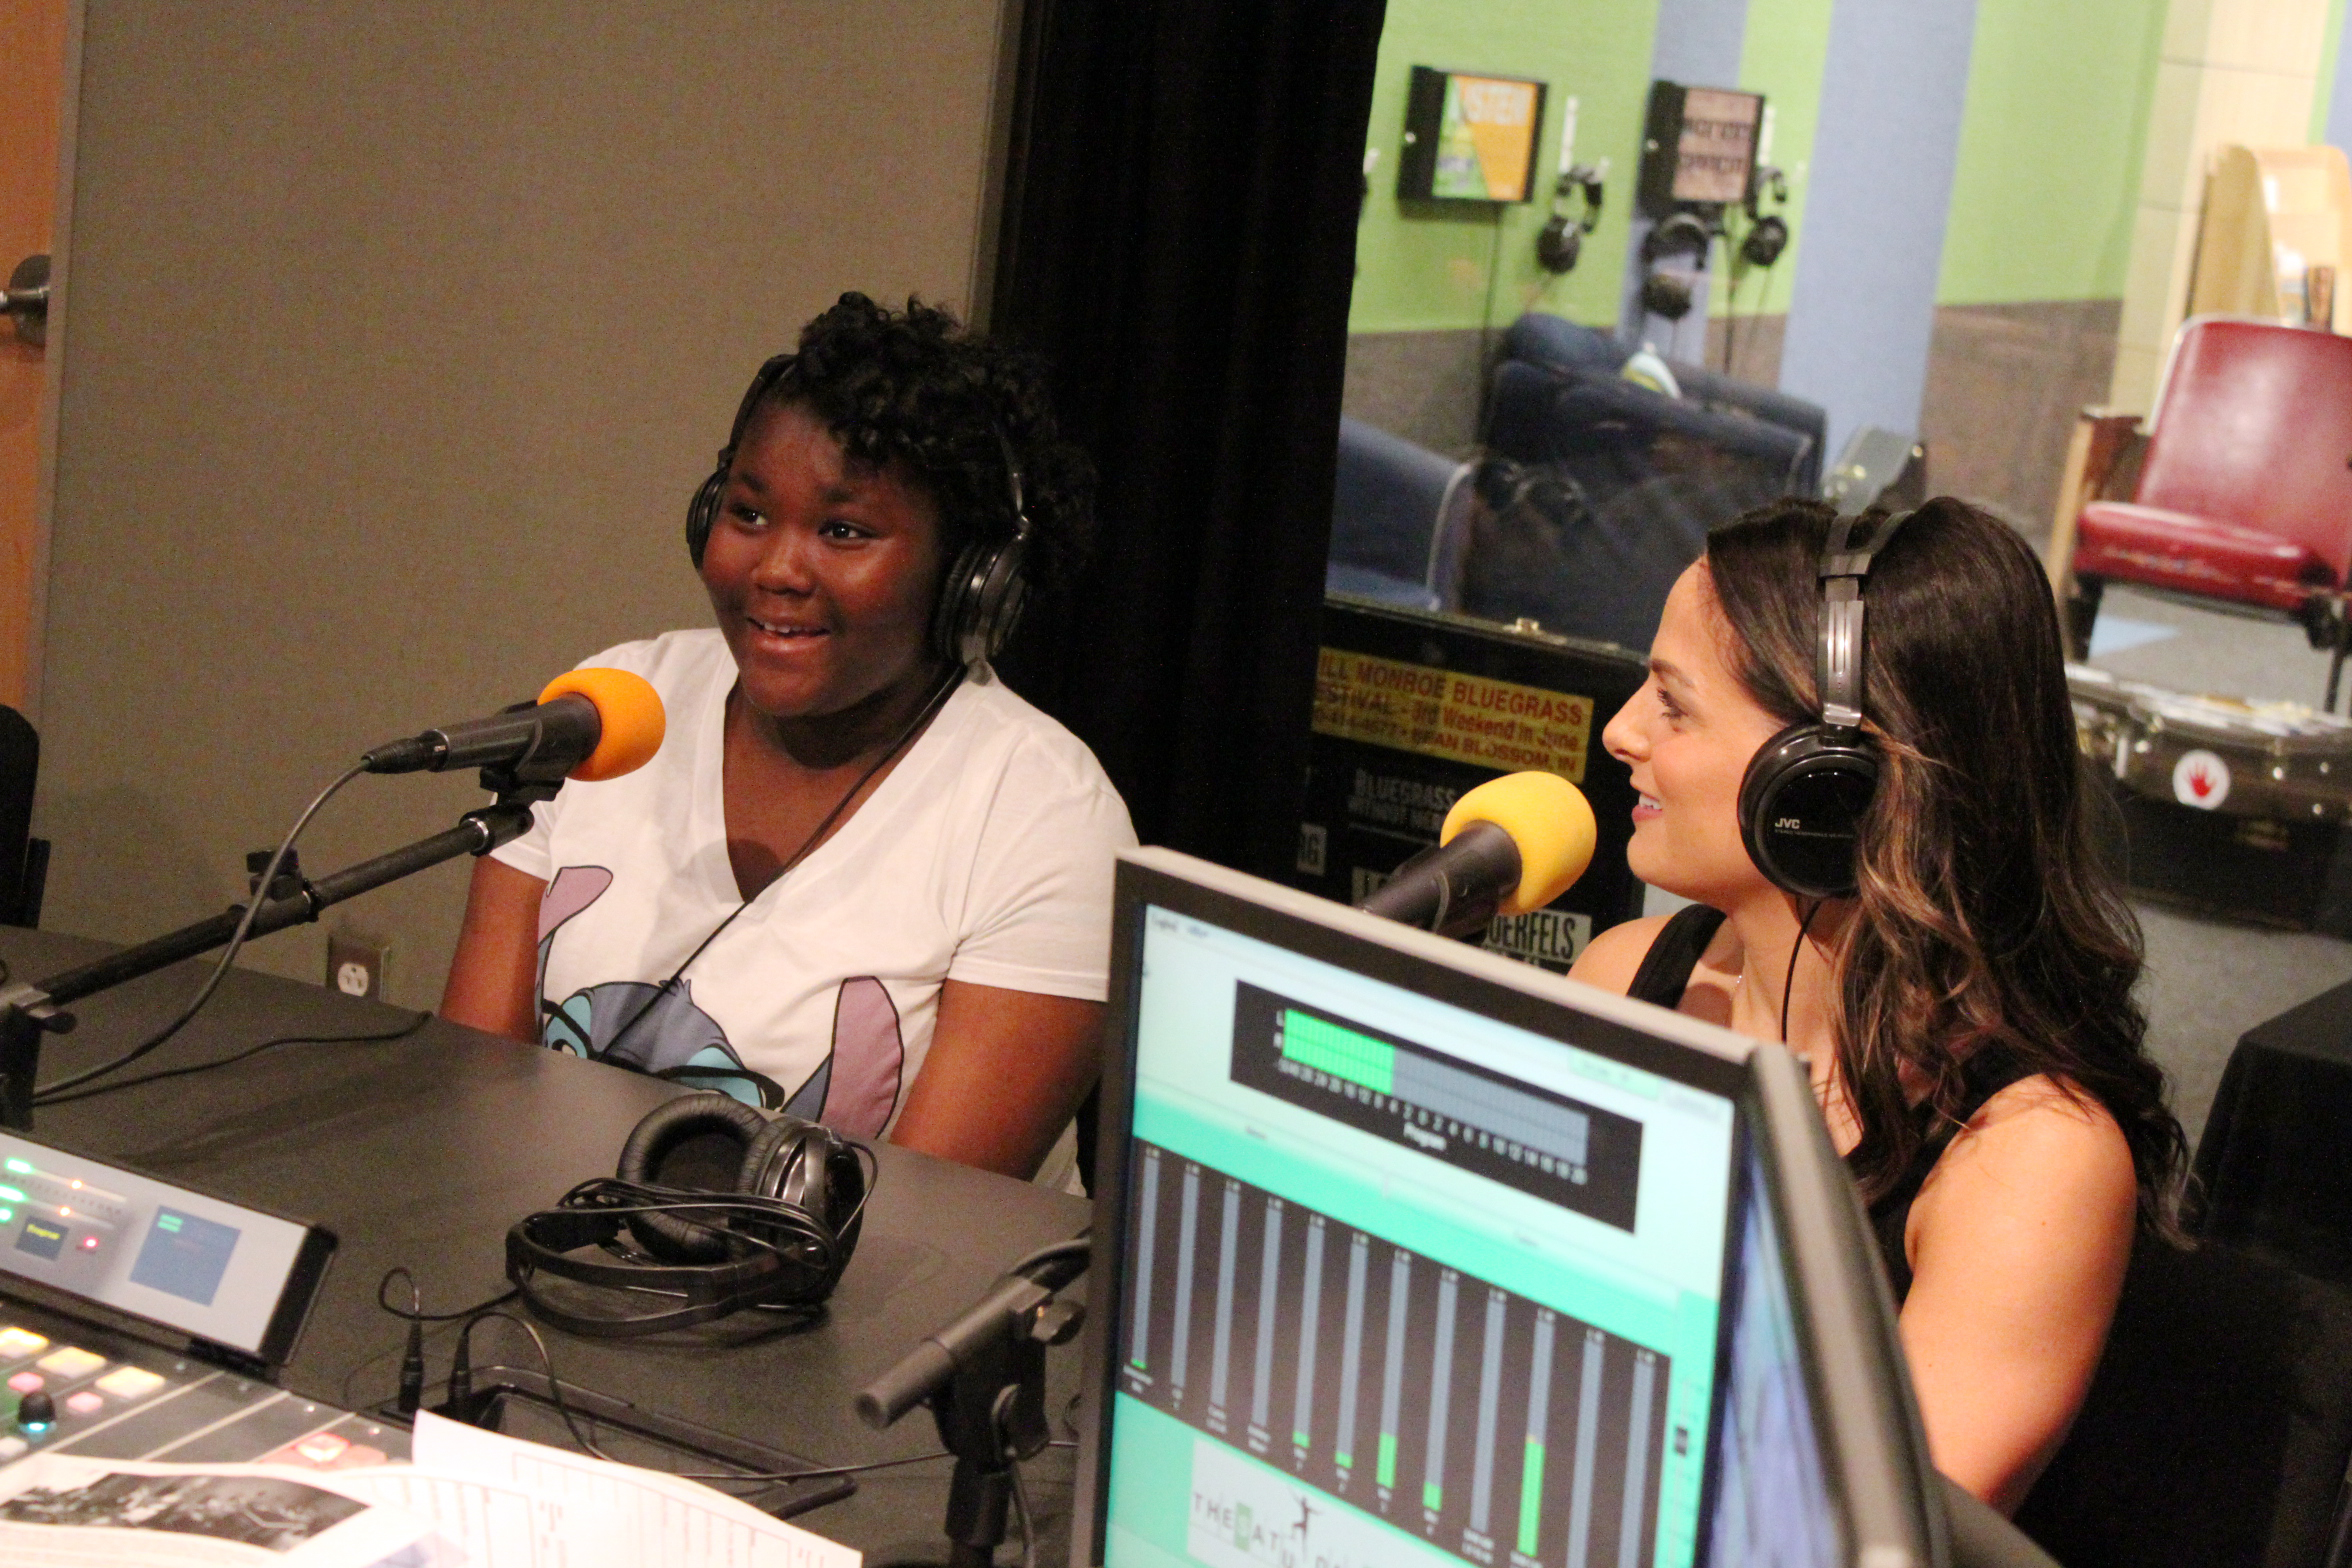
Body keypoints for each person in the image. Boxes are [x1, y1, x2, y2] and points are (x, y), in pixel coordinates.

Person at [1569, 496, 2184, 1514]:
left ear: (1831, 784)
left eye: (1673, 703)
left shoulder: (2032, 1160)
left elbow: (1847, 1535)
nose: (1621, 728)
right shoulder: (1623, 981)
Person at [441, 293, 1135, 1184]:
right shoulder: (606, 710)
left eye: (843, 531)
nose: (776, 569)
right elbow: (468, 1106)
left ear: (972, 578)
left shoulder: (1045, 818)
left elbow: (924, 1230)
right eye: (749, 514)